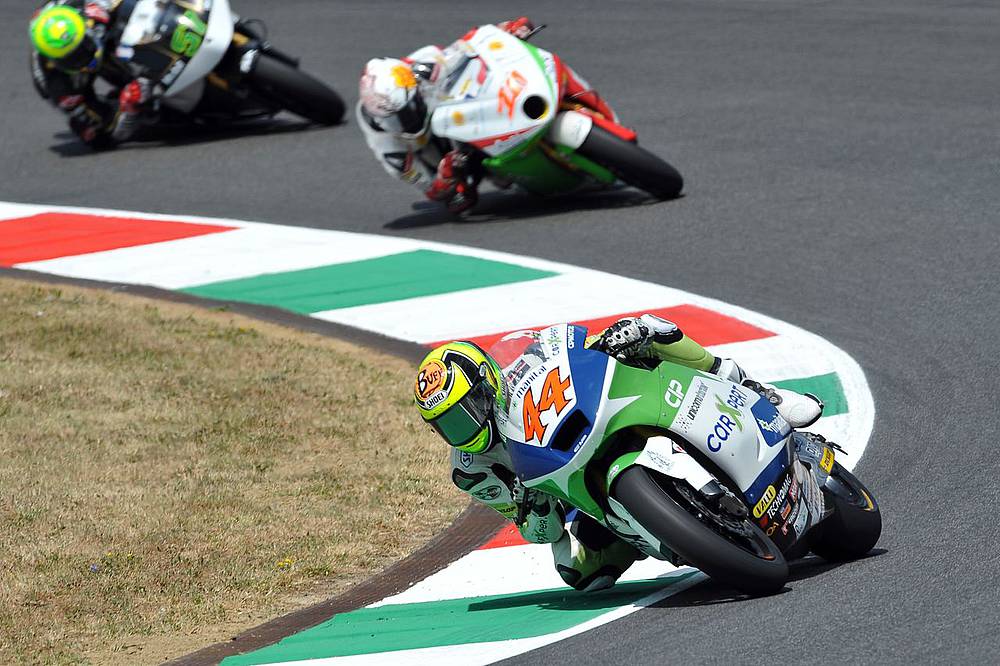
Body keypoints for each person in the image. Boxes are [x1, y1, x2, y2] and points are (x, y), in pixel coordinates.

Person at [414, 314, 823, 592]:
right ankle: (670, 531)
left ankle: (754, 389)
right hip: (580, 494)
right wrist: (532, 506)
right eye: (450, 426)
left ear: (488, 385)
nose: (466, 429)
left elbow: (579, 348)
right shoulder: (473, 470)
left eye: (467, 412)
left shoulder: (522, 355)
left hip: (599, 416)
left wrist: (612, 340)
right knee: (576, 572)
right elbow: (540, 533)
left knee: (647, 328)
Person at [358, 17, 619, 214]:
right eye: (395, 119)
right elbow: (431, 191)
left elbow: (468, 46)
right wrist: (446, 176)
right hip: (441, 154)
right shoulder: (392, 153)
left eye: (409, 110)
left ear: (414, 88)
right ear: (379, 119)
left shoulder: (422, 64)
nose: (406, 121)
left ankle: (585, 105)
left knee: (534, 66)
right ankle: (512, 169)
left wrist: (505, 30)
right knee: (460, 201)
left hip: (456, 110)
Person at [29, 1, 151, 149]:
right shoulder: (57, 85)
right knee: (94, 136)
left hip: (92, 25)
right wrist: (129, 108)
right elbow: (99, 131)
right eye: (72, 58)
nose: (84, 58)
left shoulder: (88, 7)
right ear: (55, 62)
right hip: (73, 79)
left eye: (83, 47)